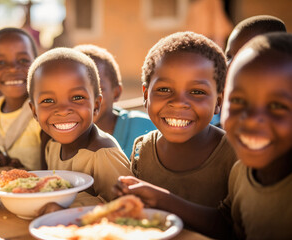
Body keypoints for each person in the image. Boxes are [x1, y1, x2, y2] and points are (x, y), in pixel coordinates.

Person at [115, 32, 292, 239]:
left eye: (277, 106)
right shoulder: (243, 173)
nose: (252, 118)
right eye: (238, 101)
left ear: (219, 101)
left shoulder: (235, 158)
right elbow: (229, 223)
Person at [131, 32, 237, 208]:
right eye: (164, 89)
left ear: (219, 101)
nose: (179, 103)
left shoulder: (234, 156)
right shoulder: (142, 149)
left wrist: (164, 200)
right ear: (145, 95)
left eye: (197, 92)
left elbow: (235, 227)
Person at [27, 48, 133, 211]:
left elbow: (127, 206)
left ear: (96, 105)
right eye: (48, 100)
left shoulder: (103, 155)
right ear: (34, 111)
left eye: (77, 98)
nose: (63, 110)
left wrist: (65, 210)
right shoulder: (52, 146)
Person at [74, 44, 156, 158]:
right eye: (75, 93)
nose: (87, 99)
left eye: (98, 89)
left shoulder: (146, 129)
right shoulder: (60, 134)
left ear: (116, 93)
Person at [0, 28, 42, 170]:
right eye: (0, 63)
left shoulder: (42, 111)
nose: (13, 68)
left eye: (23, 60)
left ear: (37, 66)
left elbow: (51, 166)